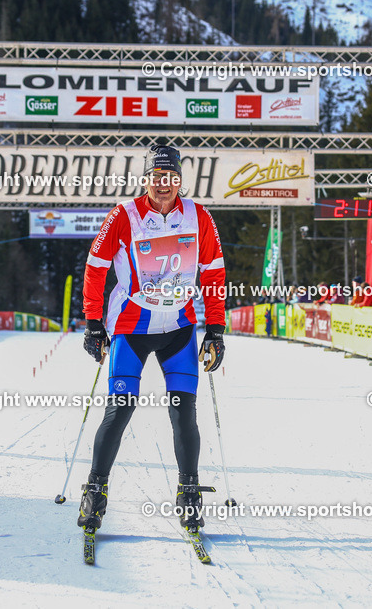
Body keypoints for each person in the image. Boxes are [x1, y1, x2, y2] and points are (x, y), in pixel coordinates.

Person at [79, 144, 226, 535]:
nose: (164, 185)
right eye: (157, 177)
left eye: (171, 177)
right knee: (120, 409)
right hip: (132, 329)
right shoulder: (124, 215)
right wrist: (93, 322)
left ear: (180, 180)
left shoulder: (198, 216)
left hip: (179, 328)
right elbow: (95, 268)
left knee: (183, 413)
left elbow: (214, 272)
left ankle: (189, 494)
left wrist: (216, 328)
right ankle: (95, 491)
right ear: (146, 180)